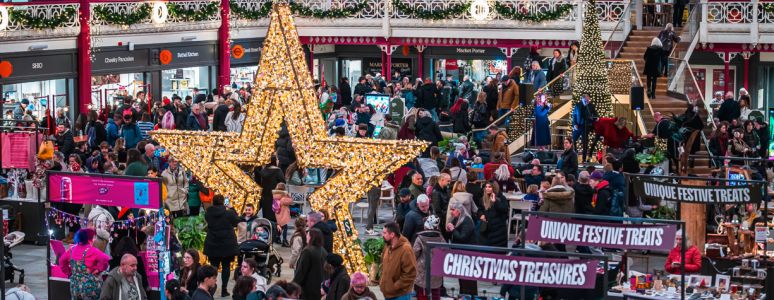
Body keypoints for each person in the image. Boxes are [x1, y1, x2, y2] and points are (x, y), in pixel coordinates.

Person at [203, 195, 240, 297]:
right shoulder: (229, 213)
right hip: (227, 245)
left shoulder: (208, 214)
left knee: (213, 267)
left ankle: (211, 289)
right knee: (226, 266)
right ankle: (224, 289)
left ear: (213, 202)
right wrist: (231, 207)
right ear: (224, 202)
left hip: (212, 244)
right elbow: (236, 221)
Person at [59, 229, 110, 300]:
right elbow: (105, 259)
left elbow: (61, 261)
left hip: (75, 287)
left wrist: (70, 273)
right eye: (94, 237)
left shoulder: (71, 249)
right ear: (91, 239)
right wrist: (98, 270)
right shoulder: (93, 250)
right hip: (90, 288)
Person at [380, 222, 417, 300]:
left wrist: (395, 286)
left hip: (400, 295)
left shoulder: (406, 249)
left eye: (384, 233)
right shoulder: (387, 246)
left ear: (392, 235)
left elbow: (411, 273)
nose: (382, 235)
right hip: (388, 293)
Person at [446, 203, 478, 294]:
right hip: (460, 253)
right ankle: (463, 294)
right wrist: (449, 230)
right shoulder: (456, 219)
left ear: (459, 211)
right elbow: (451, 235)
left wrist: (452, 229)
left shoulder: (467, 220)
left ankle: (471, 295)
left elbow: (462, 237)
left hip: (468, 254)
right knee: (461, 277)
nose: (451, 212)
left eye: (453, 210)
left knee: (468, 278)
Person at [413, 215, 445, 300]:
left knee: (422, 294)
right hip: (436, 272)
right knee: (435, 293)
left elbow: (414, 254)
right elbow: (445, 252)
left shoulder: (420, 238)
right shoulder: (441, 238)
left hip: (422, 272)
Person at [292, 228, 328, 300]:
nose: (306, 237)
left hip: (308, 288)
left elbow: (301, 271)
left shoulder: (308, 251)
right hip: (320, 287)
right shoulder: (323, 251)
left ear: (312, 237)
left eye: (308, 235)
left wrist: (293, 285)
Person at [479, 181, 509, 248]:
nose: (487, 189)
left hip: (499, 229)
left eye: (489, 187)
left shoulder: (501, 198)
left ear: (494, 188)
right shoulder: (483, 199)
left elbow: (505, 210)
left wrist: (495, 202)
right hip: (487, 229)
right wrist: (481, 214)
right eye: (486, 187)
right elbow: (480, 209)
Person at [259, 156, 285, 223]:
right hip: (275, 196)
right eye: (277, 159)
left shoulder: (263, 171)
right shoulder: (278, 171)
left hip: (265, 197)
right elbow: (283, 182)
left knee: (266, 217)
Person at [572, 94, 597, 162]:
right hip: (578, 126)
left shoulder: (591, 106)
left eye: (587, 98)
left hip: (586, 126)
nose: (586, 99)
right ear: (582, 99)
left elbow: (595, 115)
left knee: (585, 143)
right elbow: (574, 115)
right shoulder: (578, 105)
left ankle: (584, 159)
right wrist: (575, 124)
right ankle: (575, 153)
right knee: (573, 140)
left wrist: (593, 119)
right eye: (585, 99)